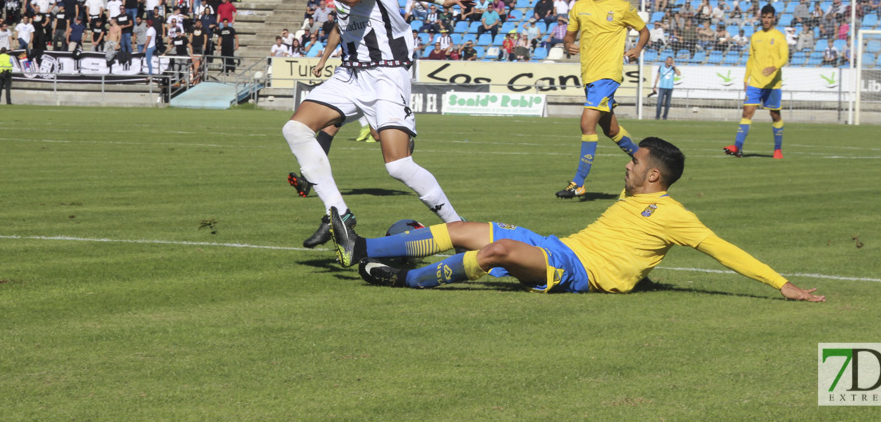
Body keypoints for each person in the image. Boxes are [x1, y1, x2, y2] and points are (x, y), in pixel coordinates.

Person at [329, 138, 825, 303]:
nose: (625, 166)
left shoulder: (676, 217)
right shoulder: (636, 196)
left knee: (495, 252)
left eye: (634, 163)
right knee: (467, 230)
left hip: (576, 272)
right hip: (555, 243)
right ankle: (365, 247)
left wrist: (780, 283)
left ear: (653, 175)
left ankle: (407, 279)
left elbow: (723, 249)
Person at [276, 0, 470, 247]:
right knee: (296, 129)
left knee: (397, 166)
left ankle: (460, 227)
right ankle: (339, 214)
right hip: (352, 73)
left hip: (386, 70)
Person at [555, 0, 649, 199]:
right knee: (611, 129)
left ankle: (578, 182)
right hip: (589, 75)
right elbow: (569, 36)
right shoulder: (580, 7)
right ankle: (644, 160)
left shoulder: (621, 7)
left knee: (587, 123)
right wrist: (569, 44)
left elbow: (644, 30)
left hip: (608, 75)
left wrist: (637, 49)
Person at [724, 4, 788, 159]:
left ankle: (778, 149)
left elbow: (784, 57)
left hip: (772, 84)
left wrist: (774, 67)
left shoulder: (779, 37)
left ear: (774, 18)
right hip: (755, 82)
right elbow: (751, 59)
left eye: (769, 17)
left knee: (774, 115)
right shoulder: (756, 37)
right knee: (747, 112)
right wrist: (746, 78)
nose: (766, 20)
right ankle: (737, 147)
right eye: (764, 17)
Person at [652, 56, 678, 120]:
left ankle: (665, 116)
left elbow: (679, 74)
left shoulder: (673, 68)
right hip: (662, 87)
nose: (669, 61)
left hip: (670, 88)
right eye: (668, 60)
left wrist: (675, 67)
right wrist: (654, 86)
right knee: (659, 102)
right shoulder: (661, 67)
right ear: (666, 61)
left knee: (667, 103)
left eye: (671, 60)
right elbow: (657, 77)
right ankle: (657, 116)